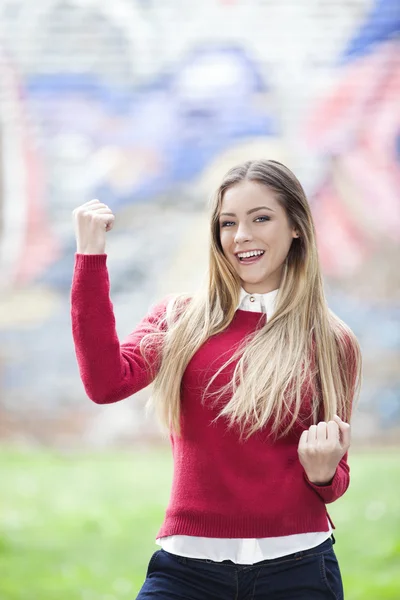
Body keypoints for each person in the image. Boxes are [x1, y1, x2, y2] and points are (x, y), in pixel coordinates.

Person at [71, 159, 361, 599]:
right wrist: (90, 258)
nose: (241, 235)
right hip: (186, 571)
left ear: (296, 227)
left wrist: (322, 475)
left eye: (260, 218)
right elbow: (105, 383)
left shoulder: (332, 340)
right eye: (228, 223)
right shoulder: (180, 318)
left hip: (299, 569)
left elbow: (335, 479)